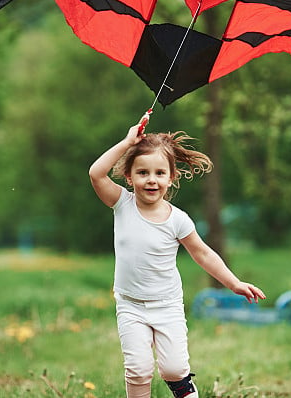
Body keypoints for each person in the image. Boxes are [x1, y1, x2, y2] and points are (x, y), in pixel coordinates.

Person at [89, 118, 265, 398]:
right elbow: (96, 174)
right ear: (129, 177)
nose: (151, 180)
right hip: (130, 305)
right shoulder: (122, 204)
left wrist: (234, 283)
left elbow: (203, 253)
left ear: (171, 178)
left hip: (167, 305)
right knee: (138, 368)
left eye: (159, 173)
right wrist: (126, 143)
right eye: (143, 172)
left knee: (173, 369)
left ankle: (186, 389)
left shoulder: (178, 220)